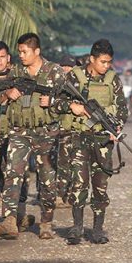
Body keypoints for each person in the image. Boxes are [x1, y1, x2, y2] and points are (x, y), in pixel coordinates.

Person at [0, 33, 64, 240]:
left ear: (37, 51)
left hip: (46, 132)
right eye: (19, 51)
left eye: (25, 52)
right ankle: (9, 222)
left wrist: (51, 102)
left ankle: (46, 222)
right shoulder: (15, 71)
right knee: (12, 174)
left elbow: (67, 100)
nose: (21, 55)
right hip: (19, 132)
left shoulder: (54, 72)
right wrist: (8, 94)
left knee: (47, 180)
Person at [56, 39, 128, 245]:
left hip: (103, 139)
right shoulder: (75, 77)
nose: (107, 66)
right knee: (79, 184)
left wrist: (117, 128)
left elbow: (122, 109)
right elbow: (56, 102)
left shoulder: (113, 80)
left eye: (109, 62)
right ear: (92, 59)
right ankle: (77, 227)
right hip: (79, 138)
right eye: (103, 62)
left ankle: (97, 229)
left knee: (100, 185)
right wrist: (72, 106)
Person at [0, 41, 34, 232]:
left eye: (2, 57)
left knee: (19, 173)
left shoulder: (19, 76)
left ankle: (17, 214)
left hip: (17, 132)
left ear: (8, 58)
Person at [55, 55, 78, 205]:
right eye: (64, 67)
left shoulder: (80, 84)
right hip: (60, 129)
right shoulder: (57, 83)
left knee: (75, 163)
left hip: (75, 129)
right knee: (61, 163)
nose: (67, 70)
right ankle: (59, 194)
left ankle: (70, 194)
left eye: (69, 67)